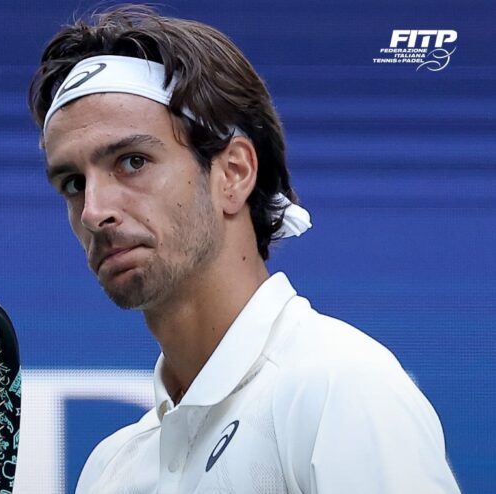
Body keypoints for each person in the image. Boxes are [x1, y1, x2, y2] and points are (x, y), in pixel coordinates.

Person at [28, 6, 460, 493]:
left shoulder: (340, 388)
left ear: (233, 173)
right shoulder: (109, 471)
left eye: (132, 161)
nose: (93, 211)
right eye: (73, 183)